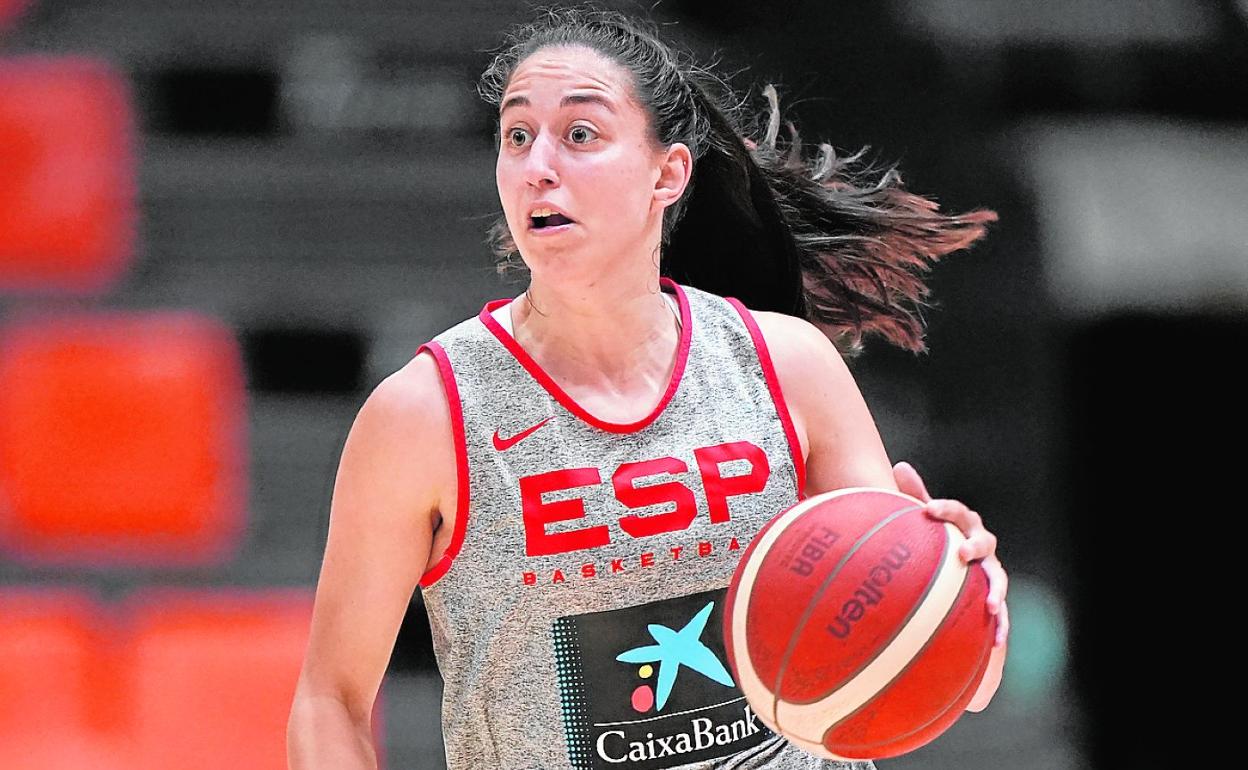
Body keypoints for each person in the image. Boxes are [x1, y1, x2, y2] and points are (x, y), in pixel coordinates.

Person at [287, 7, 1009, 770]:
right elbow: (327, 700)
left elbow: (932, 673)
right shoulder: (425, 413)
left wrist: (964, 600)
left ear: (668, 173)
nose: (538, 165)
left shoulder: (787, 364)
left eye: (581, 135)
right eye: (517, 136)